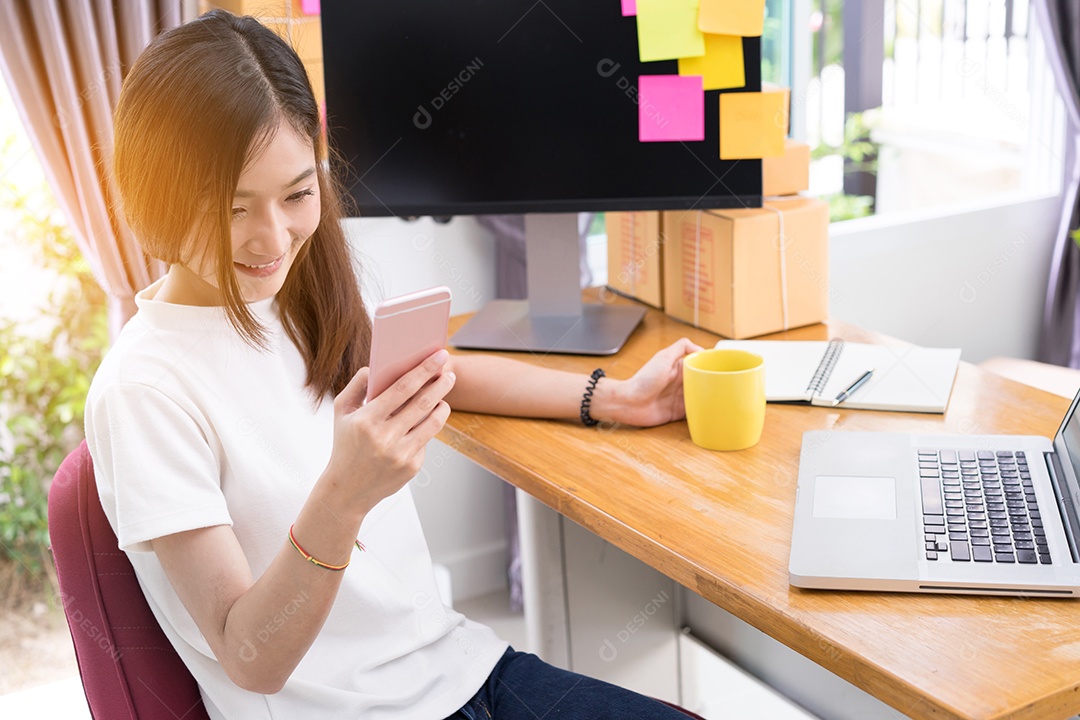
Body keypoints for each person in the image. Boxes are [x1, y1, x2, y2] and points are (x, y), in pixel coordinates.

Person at [85, 10, 703, 720]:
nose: (273, 237)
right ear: (157, 192)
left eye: (297, 194)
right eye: (233, 208)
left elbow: (438, 372)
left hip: (460, 671)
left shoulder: (295, 288)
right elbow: (249, 658)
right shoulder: (144, 389)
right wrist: (344, 495)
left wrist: (619, 398)